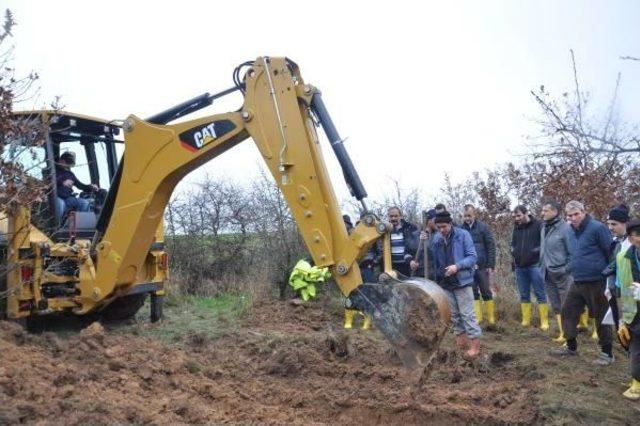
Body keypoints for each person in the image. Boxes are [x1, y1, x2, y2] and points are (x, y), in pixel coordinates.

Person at [551, 201, 614, 365]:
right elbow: (572, 253)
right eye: (570, 215)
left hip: (597, 281)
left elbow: (610, 253)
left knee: (601, 316)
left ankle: (607, 353)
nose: (573, 218)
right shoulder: (569, 230)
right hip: (577, 280)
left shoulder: (598, 228)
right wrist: (570, 267)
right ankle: (571, 347)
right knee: (568, 311)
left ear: (583, 212)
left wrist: (610, 278)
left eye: (576, 214)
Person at [430, 211, 481, 357]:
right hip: (445, 283)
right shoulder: (436, 239)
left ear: (450, 224)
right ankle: (461, 344)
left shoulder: (463, 235)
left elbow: (472, 257)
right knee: (454, 316)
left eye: (444, 226)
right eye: (438, 227)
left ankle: (475, 348)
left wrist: (456, 266)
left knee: (467, 315)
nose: (441, 230)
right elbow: (432, 259)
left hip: (462, 281)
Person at [539, 199, 573, 342]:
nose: (542, 213)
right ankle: (562, 334)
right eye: (543, 210)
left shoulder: (565, 228)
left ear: (555, 211)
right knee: (556, 305)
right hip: (547, 272)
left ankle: (570, 336)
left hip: (562, 273)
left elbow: (572, 252)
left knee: (567, 305)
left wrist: (565, 269)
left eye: (546, 210)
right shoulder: (543, 228)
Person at [511, 205, 548, 330]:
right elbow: (513, 243)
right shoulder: (516, 227)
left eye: (519, 215)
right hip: (520, 266)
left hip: (535, 265)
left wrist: (534, 251)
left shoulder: (538, 225)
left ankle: (544, 322)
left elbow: (544, 244)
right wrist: (513, 252)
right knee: (524, 294)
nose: (517, 218)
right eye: (515, 216)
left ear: (527, 213)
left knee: (540, 293)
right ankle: (526, 320)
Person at [614, 219, 640, 399]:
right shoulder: (622, 258)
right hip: (635, 317)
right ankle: (637, 382)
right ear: (630, 239)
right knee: (635, 357)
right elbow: (621, 289)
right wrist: (623, 319)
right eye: (637, 235)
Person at [461, 204, 497, 326]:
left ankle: (491, 319)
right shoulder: (461, 230)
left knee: (486, 291)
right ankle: (479, 318)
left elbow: (490, 245)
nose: (467, 218)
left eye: (469, 215)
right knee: (473, 292)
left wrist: (491, 264)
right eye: (465, 216)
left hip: (482, 266)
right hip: (469, 267)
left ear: (474, 215)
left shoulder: (483, 227)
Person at [602, 205, 631, 340]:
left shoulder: (632, 243)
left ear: (625, 223)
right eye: (608, 224)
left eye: (614, 224)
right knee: (620, 327)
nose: (610, 227)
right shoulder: (614, 242)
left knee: (631, 327)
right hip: (614, 290)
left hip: (629, 291)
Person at [55, 151, 98, 217]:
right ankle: (57, 226)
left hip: (67, 198)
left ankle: (82, 225)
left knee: (84, 203)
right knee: (61, 205)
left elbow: (80, 186)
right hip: (55, 197)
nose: (67, 165)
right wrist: (62, 182)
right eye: (66, 161)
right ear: (61, 160)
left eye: (69, 163)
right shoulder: (52, 170)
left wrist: (91, 187)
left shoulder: (70, 174)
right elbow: (47, 181)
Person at [387, 206, 418, 277]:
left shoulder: (410, 228)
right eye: (391, 216)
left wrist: (412, 260)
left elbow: (415, 246)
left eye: (396, 216)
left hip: (407, 265)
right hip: (391, 267)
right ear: (388, 217)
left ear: (400, 216)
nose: (393, 218)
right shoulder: (385, 231)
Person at [409, 209, 437, 278]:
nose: (438, 222)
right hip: (419, 274)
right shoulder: (415, 235)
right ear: (429, 220)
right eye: (435, 220)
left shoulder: (439, 235)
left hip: (435, 275)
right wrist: (410, 261)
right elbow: (408, 251)